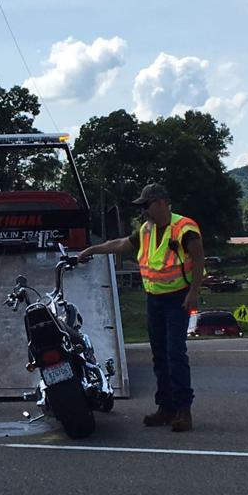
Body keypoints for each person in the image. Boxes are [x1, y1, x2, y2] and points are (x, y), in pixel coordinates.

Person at [78, 183, 203, 432]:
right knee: (159, 355)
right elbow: (122, 244)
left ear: (161, 203)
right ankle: (165, 407)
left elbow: (199, 259)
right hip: (154, 299)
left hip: (177, 299)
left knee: (175, 354)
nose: (144, 211)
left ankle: (183, 410)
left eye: (147, 206)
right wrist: (93, 249)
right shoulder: (147, 230)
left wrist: (193, 293)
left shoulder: (184, 228)